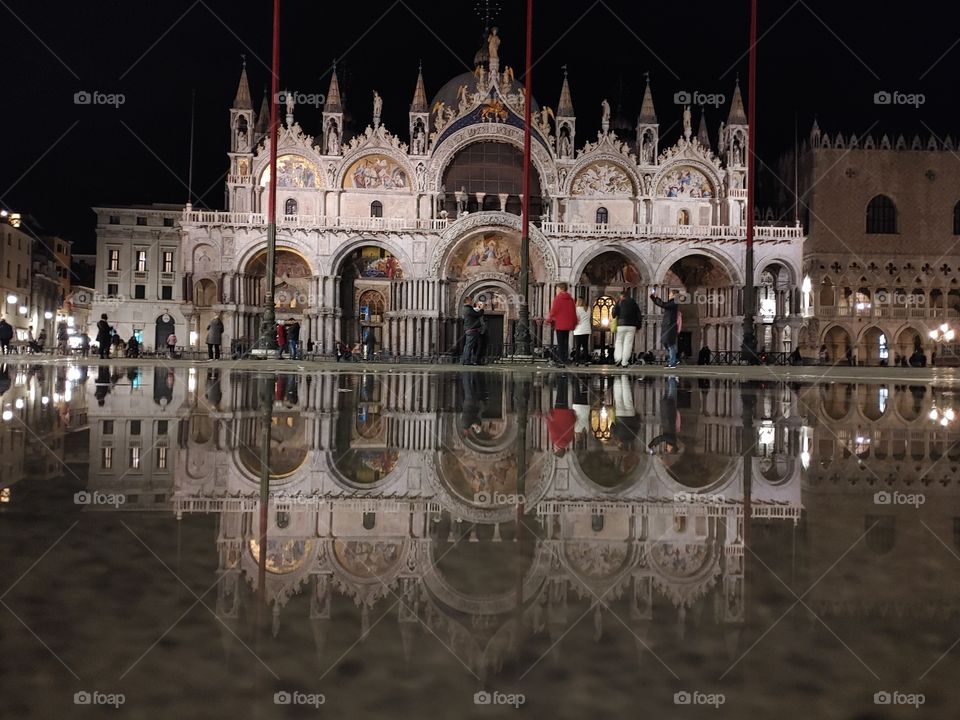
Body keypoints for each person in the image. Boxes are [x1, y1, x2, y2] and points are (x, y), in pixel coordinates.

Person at [546, 283, 577, 368]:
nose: (556, 290)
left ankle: (560, 360)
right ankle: (565, 359)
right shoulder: (571, 299)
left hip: (560, 323)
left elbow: (554, 310)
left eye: (557, 289)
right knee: (565, 342)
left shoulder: (558, 298)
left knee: (560, 343)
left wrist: (549, 318)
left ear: (560, 289)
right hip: (567, 324)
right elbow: (573, 312)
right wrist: (574, 322)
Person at [651, 289, 680, 368]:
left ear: (674, 295)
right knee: (665, 342)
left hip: (670, 325)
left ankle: (672, 362)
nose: (669, 295)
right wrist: (654, 298)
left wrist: (656, 297)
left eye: (670, 294)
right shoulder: (671, 302)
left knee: (670, 344)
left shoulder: (675, 302)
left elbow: (664, 304)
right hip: (666, 325)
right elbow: (662, 304)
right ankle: (674, 359)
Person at [612, 289, 641, 368]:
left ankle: (618, 359)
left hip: (621, 325)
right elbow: (639, 314)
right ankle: (624, 362)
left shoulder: (619, 302)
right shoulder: (634, 302)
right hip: (632, 326)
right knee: (628, 344)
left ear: (622, 296)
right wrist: (638, 326)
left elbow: (614, 313)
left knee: (619, 342)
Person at [461, 296, 483, 365]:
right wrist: (482, 309)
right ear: (467, 301)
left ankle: (468, 360)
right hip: (472, 330)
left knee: (470, 346)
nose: (472, 301)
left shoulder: (466, 309)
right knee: (469, 346)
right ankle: (467, 361)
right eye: (470, 300)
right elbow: (478, 314)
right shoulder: (468, 309)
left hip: (470, 329)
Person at [573, 297, 591, 366]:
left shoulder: (577, 309)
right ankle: (586, 361)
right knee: (585, 346)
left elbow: (576, 319)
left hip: (579, 329)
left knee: (577, 346)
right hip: (586, 329)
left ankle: (577, 361)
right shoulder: (588, 308)